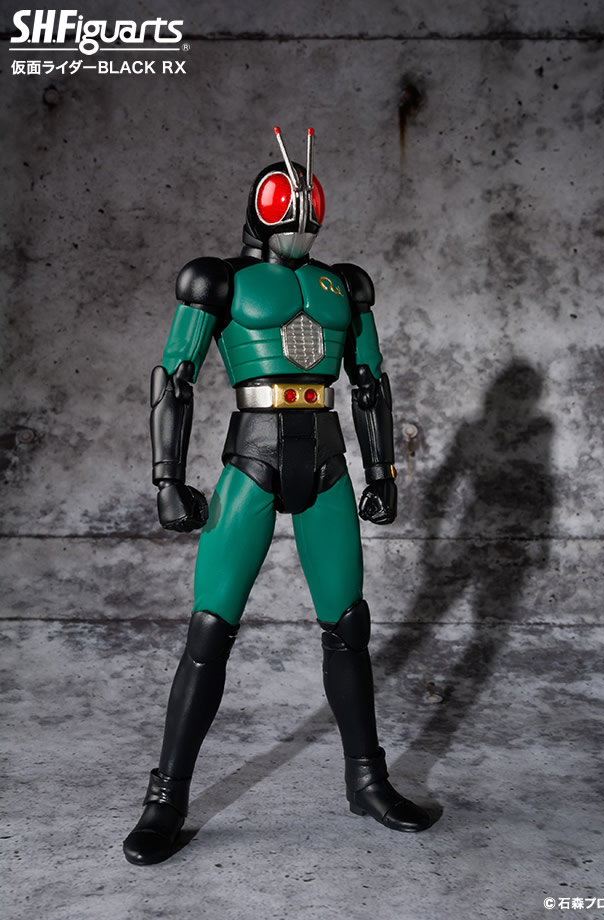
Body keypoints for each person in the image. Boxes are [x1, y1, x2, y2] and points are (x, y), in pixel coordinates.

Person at [123, 127, 432, 866]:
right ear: (260, 206)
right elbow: (175, 377)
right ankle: (165, 800)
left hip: (326, 456)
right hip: (253, 456)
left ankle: (367, 780)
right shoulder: (218, 280)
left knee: (348, 626)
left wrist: (383, 473)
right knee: (209, 631)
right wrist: (166, 479)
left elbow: (369, 383)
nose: (298, 216)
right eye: (284, 203)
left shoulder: (343, 285)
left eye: (308, 204)